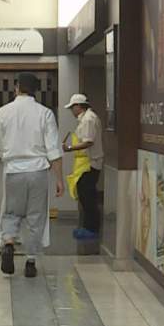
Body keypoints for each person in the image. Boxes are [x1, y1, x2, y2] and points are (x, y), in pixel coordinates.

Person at [0, 72, 63, 278]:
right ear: (35, 90)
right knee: (35, 217)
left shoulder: (4, 112)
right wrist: (59, 179)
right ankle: (30, 262)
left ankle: (9, 243)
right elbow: (54, 150)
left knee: (11, 212)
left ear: (17, 88)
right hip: (39, 171)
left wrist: (7, 154)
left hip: (13, 171)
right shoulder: (45, 113)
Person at [63, 93, 104, 238]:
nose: (71, 111)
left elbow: (88, 142)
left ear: (78, 106)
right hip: (86, 164)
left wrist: (69, 148)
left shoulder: (88, 119)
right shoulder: (87, 118)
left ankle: (91, 229)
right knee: (85, 195)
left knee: (88, 197)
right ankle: (88, 227)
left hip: (90, 164)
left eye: (72, 108)